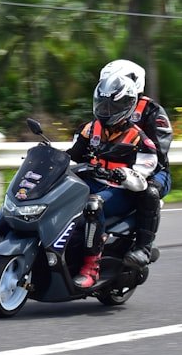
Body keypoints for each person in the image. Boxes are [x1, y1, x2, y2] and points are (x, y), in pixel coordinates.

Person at [67, 74, 159, 288]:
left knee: (92, 205)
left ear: (127, 105)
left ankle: (91, 268)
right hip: (92, 181)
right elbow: (73, 155)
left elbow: (144, 175)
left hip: (120, 190)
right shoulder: (89, 129)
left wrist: (124, 174)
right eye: (102, 104)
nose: (106, 110)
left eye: (113, 105)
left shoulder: (139, 138)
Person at [99, 59, 173, 267]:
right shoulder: (108, 105)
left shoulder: (152, 111)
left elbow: (159, 150)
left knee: (149, 192)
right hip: (112, 170)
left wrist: (128, 160)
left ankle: (143, 247)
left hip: (153, 170)